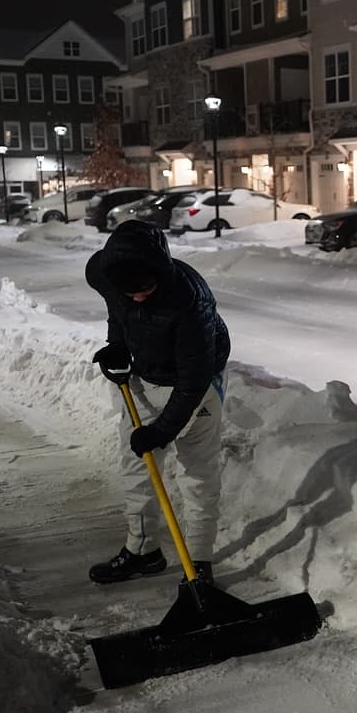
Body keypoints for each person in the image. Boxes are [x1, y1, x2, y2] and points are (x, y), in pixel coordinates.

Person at [84, 220, 230, 585]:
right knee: (137, 471)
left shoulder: (190, 301)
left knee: (198, 473)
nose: (138, 297)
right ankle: (143, 550)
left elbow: (193, 382)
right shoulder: (105, 274)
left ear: (160, 270)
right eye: (129, 291)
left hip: (197, 383)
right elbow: (117, 309)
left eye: (145, 288)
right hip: (147, 378)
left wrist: (160, 432)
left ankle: (199, 563)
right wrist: (117, 344)